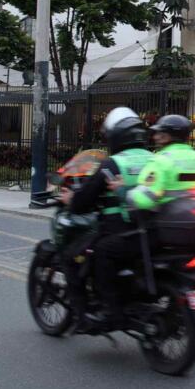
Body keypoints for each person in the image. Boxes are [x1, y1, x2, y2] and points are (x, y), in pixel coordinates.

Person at [61, 107, 153, 330]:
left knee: (75, 257)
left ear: (116, 136)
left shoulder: (113, 164)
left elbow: (86, 199)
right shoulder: (156, 160)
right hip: (152, 233)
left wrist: (72, 200)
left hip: (122, 233)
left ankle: (99, 315)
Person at [126, 114, 195, 213]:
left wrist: (125, 193)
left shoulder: (160, 162)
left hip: (170, 223)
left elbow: (144, 200)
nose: (155, 137)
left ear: (166, 137)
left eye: (158, 133)